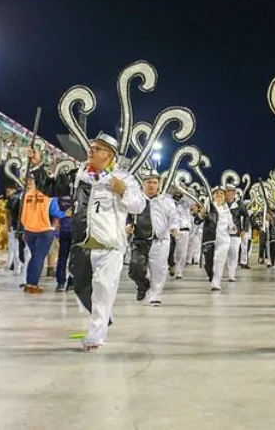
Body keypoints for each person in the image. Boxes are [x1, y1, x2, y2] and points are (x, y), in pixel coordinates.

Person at [68, 133, 146, 352]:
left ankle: (95, 335)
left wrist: (123, 191)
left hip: (110, 246)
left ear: (109, 155)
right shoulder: (80, 175)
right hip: (83, 244)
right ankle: (103, 315)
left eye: (97, 148)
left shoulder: (124, 178)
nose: (91, 151)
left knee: (103, 289)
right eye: (91, 147)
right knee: (81, 288)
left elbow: (139, 206)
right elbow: (57, 190)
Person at [126, 170, 177, 305]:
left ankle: (155, 295)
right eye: (149, 182)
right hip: (140, 239)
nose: (151, 185)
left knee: (159, 269)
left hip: (160, 239)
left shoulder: (166, 201)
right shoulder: (136, 200)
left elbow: (174, 216)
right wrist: (128, 225)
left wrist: (174, 227)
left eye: (154, 182)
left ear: (159, 184)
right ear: (143, 184)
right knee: (135, 268)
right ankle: (142, 284)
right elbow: (127, 215)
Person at [199, 186, 236, 291]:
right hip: (210, 239)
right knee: (208, 264)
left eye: (221, 193)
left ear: (224, 197)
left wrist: (233, 227)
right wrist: (201, 215)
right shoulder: (208, 208)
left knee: (219, 263)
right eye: (217, 193)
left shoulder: (227, 211)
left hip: (224, 240)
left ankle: (216, 283)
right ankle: (212, 277)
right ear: (213, 196)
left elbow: (231, 224)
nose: (219, 195)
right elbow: (197, 221)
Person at [224, 186, 251, 281]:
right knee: (221, 255)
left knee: (233, 254)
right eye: (228, 192)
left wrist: (244, 229)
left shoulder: (239, 204)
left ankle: (231, 274)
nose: (230, 194)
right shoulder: (221, 203)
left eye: (232, 192)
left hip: (235, 234)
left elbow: (246, 216)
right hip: (222, 233)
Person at [170, 189, 195, 280]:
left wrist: (185, 192)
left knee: (182, 252)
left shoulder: (186, 201)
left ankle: (179, 271)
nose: (177, 190)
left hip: (183, 229)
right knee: (169, 251)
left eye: (179, 189)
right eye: (175, 188)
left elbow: (193, 202)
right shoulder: (168, 200)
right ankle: (171, 264)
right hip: (170, 229)